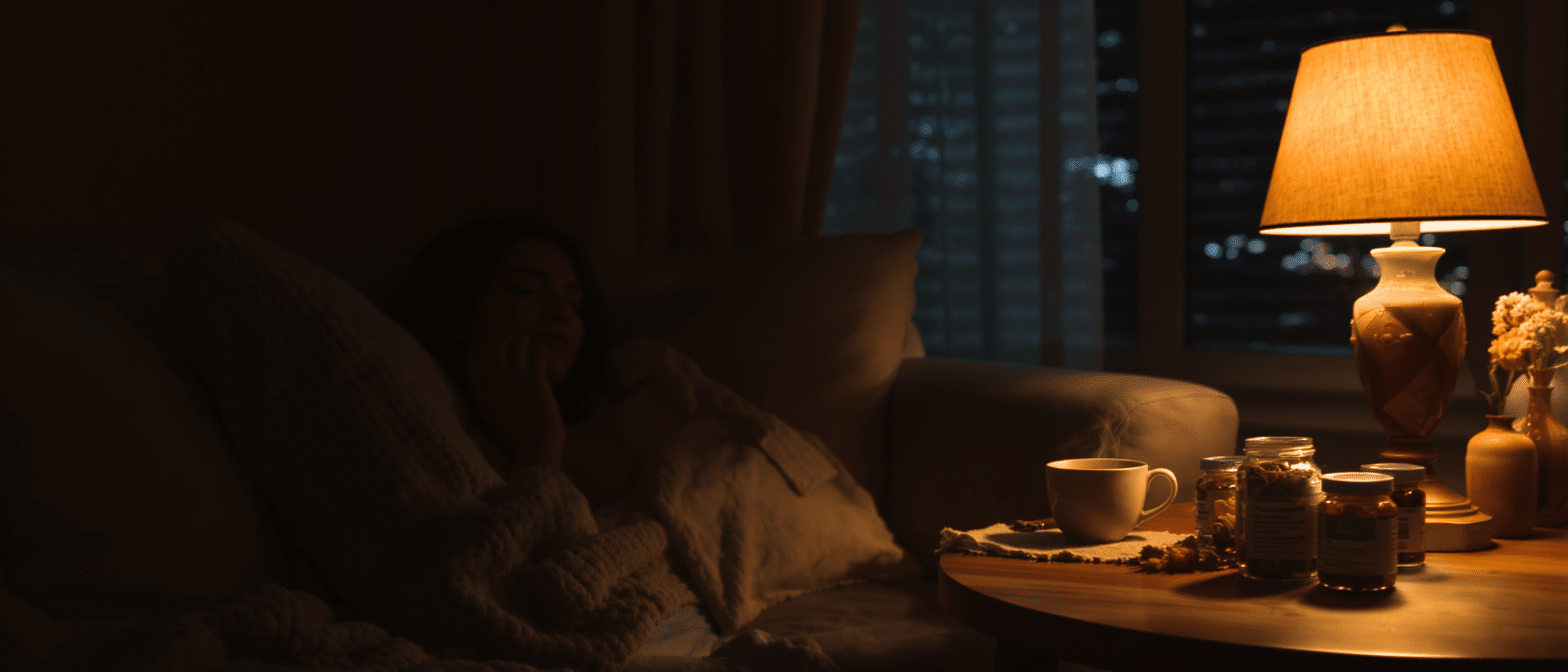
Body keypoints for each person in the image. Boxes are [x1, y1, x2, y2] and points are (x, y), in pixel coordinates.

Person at [386, 213, 631, 503]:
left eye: (575, 303)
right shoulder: (433, 436)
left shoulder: (620, 416)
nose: (561, 311)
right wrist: (539, 443)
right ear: (459, 314)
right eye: (524, 289)